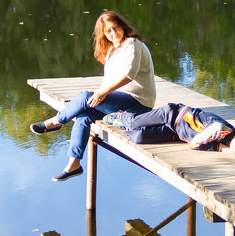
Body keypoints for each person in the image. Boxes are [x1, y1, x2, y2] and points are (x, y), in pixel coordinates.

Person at [30, 11, 156, 181]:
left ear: (122, 26)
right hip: (121, 100)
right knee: (83, 115)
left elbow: (129, 75)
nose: (113, 33)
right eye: (108, 31)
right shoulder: (114, 49)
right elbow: (109, 80)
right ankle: (73, 164)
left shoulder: (132, 44)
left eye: (115, 28)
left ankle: (56, 122)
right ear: (103, 34)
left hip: (139, 103)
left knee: (84, 97)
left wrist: (101, 93)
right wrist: (100, 92)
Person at [104, 103, 235, 154]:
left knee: (139, 137)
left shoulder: (226, 140)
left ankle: (126, 124)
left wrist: (222, 148)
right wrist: (226, 150)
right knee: (133, 123)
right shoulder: (220, 128)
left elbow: (207, 145)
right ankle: (122, 115)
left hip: (176, 133)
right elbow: (195, 144)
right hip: (173, 115)